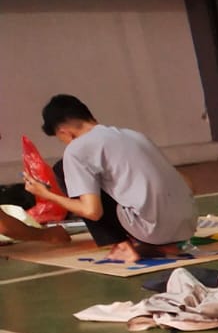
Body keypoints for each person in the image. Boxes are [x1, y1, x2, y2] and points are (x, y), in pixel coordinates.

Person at [25, 95, 197, 265]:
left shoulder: (76, 149)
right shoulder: (135, 135)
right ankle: (165, 244)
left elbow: (92, 211)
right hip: (188, 225)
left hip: (152, 230)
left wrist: (48, 195)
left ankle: (122, 246)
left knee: (62, 169)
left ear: (65, 132)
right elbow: (188, 185)